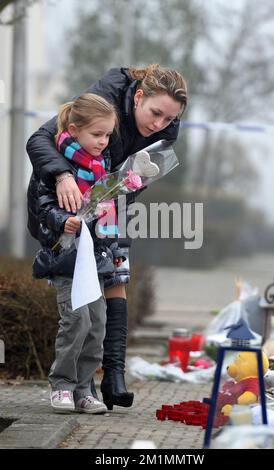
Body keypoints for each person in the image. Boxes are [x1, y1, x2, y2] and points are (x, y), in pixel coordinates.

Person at [27, 64, 188, 411]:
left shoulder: (167, 130)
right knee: (82, 307)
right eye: (155, 113)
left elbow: (141, 172)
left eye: (169, 119)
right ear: (139, 97)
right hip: (65, 196)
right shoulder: (105, 99)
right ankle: (76, 384)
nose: (160, 124)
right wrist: (61, 176)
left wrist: (124, 192)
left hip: (112, 203)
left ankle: (112, 374)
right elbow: (39, 139)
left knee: (117, 272)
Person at [32, 93, 125, 414]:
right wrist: (63, 220)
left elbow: (109, 216)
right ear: (74, 129)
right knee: (76, 322)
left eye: (107, 135)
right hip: (66, 260)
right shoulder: (57, 166)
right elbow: (42, 205)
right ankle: (62, 385)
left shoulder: (103, 167)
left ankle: (85, 389)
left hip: (95, 261)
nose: (103, 141)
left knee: (97, 325)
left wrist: (112, 254)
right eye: (96, 134)